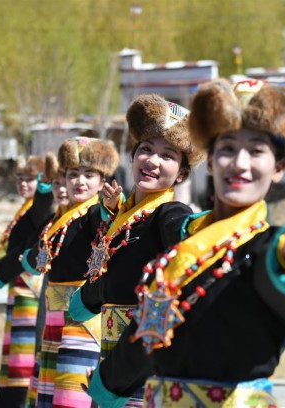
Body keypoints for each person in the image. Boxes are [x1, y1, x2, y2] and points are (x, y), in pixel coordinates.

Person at [86, 80, 285, 407]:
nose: (239, 163)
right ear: (212, 158)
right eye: (228, 148)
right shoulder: (178, 258)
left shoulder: (267, 249)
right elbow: (146, 336)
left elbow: (281, 282)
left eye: (257, 151)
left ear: (279, 167)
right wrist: (106, 383)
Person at [68, 94, 205, 406]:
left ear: (181, 173)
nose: (152, 161)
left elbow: (182, 231)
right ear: (133, 157)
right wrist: (87, 299)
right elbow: (113, 274)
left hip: (143, 367)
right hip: (111, 354)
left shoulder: (169, 213)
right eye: (146, 149)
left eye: (168, 155)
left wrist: (193, 232)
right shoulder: (125, 217)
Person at [14, 136, 118, 408]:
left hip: (80, 320)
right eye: (74, 174)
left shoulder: (96, 212)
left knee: (71, 397)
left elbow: (106, 219)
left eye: (89, 174)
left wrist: (112, 207)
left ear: (102, 180)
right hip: (55, 318)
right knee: (49, 393)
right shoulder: (64, 215)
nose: (80, 181)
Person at [0, 154, 57, 408]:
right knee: (16, 358)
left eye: (30, 178)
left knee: (24, 358)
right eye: (20, 178)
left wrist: (44, 187)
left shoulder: (40, 208)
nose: (23, 183)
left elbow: (42, 206)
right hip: (19, 289)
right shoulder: (25, 207)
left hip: (30, 288)